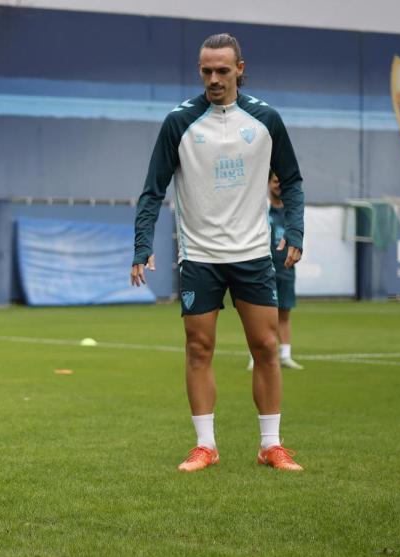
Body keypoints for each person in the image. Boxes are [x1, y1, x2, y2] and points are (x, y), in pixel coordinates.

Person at [131, 33, 305, 472]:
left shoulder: (266, 119)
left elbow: (293, 180)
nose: (213, 78)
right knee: (198, 348)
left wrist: (296, 231)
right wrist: (143, 244)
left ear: (240, 69)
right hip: (200, 255)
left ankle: (271, 445)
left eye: (222, 70)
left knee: (266, 346)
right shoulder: (179, 122)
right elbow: (153, 190)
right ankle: (205, 445)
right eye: (206, 70)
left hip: (251, 252)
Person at [248, 173, 304, 370]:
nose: (278, 185)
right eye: (274, 181)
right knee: (259, 315)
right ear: (268, 183)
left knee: (285, 313)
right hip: (263, 271)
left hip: (286, 270)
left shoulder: (291, 213)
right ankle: (255, 356)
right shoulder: (262, 209)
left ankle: (286, 355)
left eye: (281, 181)